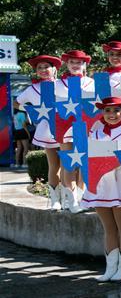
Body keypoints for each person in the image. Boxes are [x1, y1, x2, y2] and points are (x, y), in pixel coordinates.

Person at [83, 97, 121, 282]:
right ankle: (110, 267)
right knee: (108, 228)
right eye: (107, 111)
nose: (112, 115)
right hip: (101, 184)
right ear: (102, 113)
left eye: (116, 110)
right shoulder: (95, 133)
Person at [16, 55, 61, 202]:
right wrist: (32, 110)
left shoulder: (62, 84)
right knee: (53, 165)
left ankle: (71, 197)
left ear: (54, 69)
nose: (43, 70)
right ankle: (54, 199)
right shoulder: (32, 89)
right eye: (39, 68)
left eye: (46, 67)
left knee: (70, 165)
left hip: (66, 129)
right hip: (47, 131)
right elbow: (16, 103)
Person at [56, 49, 96, 214]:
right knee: (69, 163)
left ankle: (81, 197)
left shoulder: (91, 82)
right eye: (72, 62)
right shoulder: (57, 83)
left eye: (79, 62)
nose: (75, 65)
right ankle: (70, 199)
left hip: (85, 126)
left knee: (84, 163)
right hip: (65, 126)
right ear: (67, 63)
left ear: (84, 64)